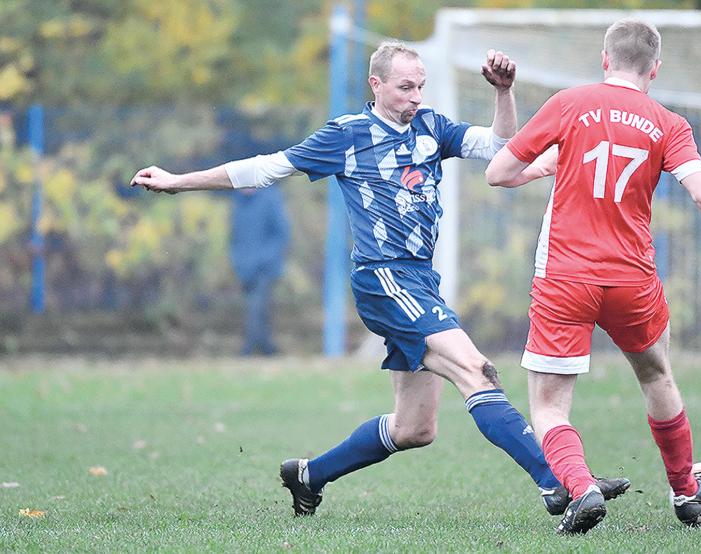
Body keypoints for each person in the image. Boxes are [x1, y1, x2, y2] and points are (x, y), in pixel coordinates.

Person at [130, 41, 628, 520]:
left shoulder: (432, 126)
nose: (415, 98)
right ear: (376, 84)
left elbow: (500, 145)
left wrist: (503, 91)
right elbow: (264, 170)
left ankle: (309, 475)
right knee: (477, 371)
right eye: (405, 88)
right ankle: (558, 481)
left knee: (416, 428)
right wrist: (177, 181)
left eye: (420, 87)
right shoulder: (347, 134)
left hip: (419, 282)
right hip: (383, 279)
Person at [486, 19, 701, 535]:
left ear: (605, 59)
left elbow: (499, 172)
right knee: (656, 374)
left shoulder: (568, 103)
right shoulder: (668, 123)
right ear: (655, 70)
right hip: (632, 276)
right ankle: (687, 494)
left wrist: (552, 164)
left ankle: (581, 489)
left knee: (550, 405)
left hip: (566, 275)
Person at [229, 186, 290, 356]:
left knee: (256, 309)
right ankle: (268, 349)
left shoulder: (270, 200)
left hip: (265, 269)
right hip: (244, 269)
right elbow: (234, 236)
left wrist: (263, 259)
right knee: (257, 310)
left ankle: (248, 351)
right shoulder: (237, 203)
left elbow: (282, 233)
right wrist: (237, 260)